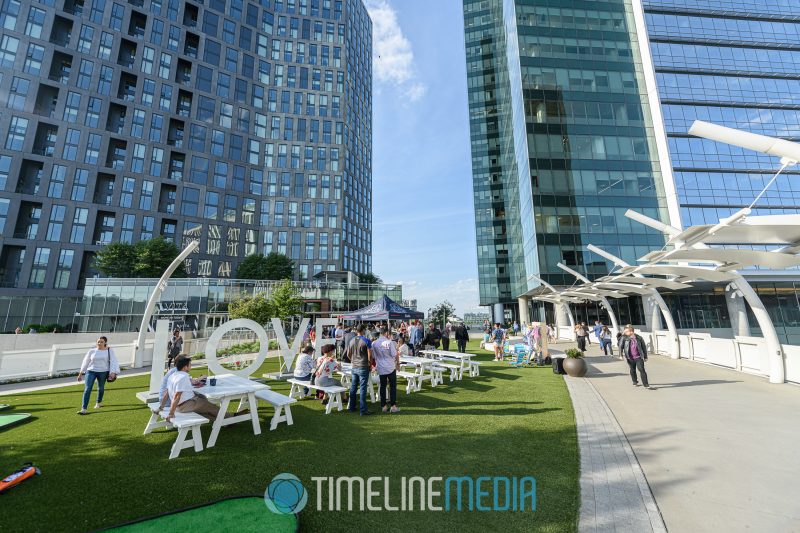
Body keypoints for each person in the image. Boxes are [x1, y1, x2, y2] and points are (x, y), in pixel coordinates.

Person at [165, 356, 242, 422]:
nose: (190, 366)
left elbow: (167, 392)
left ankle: (224, 421)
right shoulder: (183, 377)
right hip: (185, 405)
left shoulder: (173, 376)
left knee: (203, 405)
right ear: (185, 367)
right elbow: (177, 396)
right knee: (211, 407)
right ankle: (231, 417)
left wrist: (161, 407)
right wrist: (171, 414)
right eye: (190, 365)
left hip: (181, 406)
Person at [77, 336, 120, 415]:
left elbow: (114, 361)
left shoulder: (109, 351)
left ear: (105, 343)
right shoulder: (92, 351)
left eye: (101, 342)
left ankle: (98, 402)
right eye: (98, 342)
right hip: (91, 371)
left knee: (101, 388)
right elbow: (85, 361)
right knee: (87, 389)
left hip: (103, 372)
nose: (99, 343)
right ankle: (83, 409)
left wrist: (113, 372)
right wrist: (80, 373)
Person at [346, 324, 373, 416]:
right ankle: (363, 410)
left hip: (354, 366)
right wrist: (369, 364)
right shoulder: (366, 340)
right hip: (363, 366)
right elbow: (370, 354)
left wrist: (353, 361)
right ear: (363, 330)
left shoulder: (351, 340)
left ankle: (352, 407)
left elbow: (348, 354)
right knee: (362, 388)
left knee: (353, 387)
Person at [372, 327, 400, 413]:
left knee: (382, 387)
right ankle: (393, 406)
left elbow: (374, 356)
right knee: (392, 387)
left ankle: (383, 406)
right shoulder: (389, 342)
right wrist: (398, 364)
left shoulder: (374, 343)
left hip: (381, 367)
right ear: (386, 333)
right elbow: (394, 354)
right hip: (390, 367)